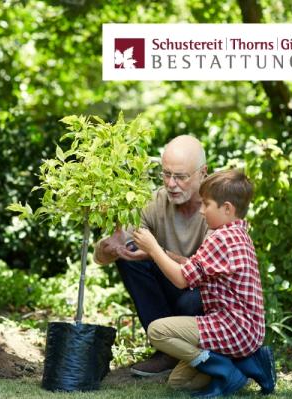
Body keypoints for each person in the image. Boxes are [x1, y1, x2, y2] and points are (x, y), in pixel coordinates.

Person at [133, 169, 276, 396]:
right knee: (178, 382)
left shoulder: (220, 238)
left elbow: (181, 280)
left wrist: (152, 248)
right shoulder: (238, 234)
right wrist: (161, 253)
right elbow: (195, 266)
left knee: (157, 330)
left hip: (233, 328)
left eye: (206, 204)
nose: (201, 210)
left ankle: (223, 368)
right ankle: (248, 363)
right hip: (246, 331)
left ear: (227, 208)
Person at [93, 135, 207, 377]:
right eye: (166, 174)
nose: (171, 184)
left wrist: (158, 253)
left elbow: (208, 273)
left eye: (181, 176)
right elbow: (106, 253)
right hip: (173, 288)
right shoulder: (155, 202)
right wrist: (108, 248)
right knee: (130, 255)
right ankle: (167, 352)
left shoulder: (217, 207)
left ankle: (195, 353)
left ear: (202, 173)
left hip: (206, 296)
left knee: (192, 298)